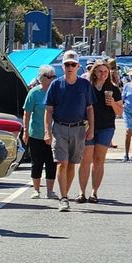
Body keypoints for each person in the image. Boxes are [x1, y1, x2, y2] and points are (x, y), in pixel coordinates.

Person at [44, 50, 96, 212]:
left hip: (78, 128)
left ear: (78, 66)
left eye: (73, 64)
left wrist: (92, 128)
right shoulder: (56, 84)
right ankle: (63, 197)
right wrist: (47, 131)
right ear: (63, 66)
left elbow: (89, 108)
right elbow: (49, 110)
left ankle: (65, 193)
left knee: (72, 163)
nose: (70, 67)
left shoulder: (84, 85)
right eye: (67, 64)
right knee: (62, 163)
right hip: (59, 128)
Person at [77, 60, 122, 203]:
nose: (103, 74)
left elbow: (120, 111)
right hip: (88, 127)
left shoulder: (113, 89)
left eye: (105, 72)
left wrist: (113, 103)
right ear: (94, 72)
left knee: (99, 160)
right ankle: (81, 192)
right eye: (100, 71)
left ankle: (94, 192)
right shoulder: (87, 87)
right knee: (86, 160)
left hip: (106, 127)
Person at [22, 65, 58, 199]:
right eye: (49, 76)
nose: (51, 79)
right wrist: (25, 131)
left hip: (53, 134)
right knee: (37, 162)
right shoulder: (34, 93)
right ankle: (36, 190)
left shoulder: (56, 92)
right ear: (41, 78)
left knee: (51, 162)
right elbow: (27, 113)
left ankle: (50, 191)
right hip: (36, 133)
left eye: (53, 76)